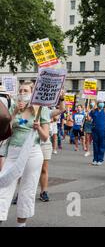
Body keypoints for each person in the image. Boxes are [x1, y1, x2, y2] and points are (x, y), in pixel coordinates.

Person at [0, 81, 50, 227]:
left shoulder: (41, 109)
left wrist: (39, 127)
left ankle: (21, 224)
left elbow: (45, 137)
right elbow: (4, 130)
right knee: (4, 185)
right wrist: (14, 112)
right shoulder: (14, 106)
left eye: (25, 91)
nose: (22, 93)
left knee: (27, 188)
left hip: (32, 152)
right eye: (20, 90)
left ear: (33, 93)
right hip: (13, 151)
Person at [39, 97, 66, 202]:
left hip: (44, 143)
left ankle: (43, 192)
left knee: (44, 169)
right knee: (24, 170)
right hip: (30, 143)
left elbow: (61, 110)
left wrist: (62, 99)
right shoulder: (26, 110)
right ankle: (21, 193)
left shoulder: (46, 111)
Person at [89, 101, 105, 166]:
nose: (101, 104)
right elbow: (89, 119)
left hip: (102, 130)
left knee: (102, 145)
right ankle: (95, 159)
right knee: (95, 145)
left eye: (102, 103)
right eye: (100, 103)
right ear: (97, 104)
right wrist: (88, 112)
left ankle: (100, 159)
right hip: (95, 130)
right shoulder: (93, 111)